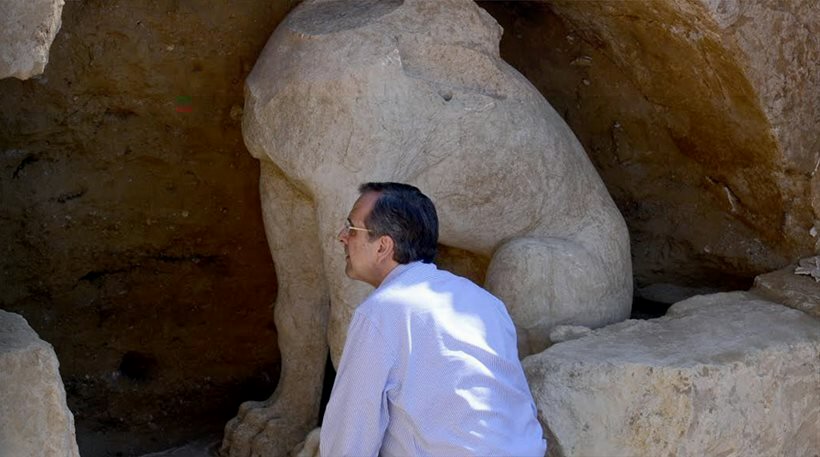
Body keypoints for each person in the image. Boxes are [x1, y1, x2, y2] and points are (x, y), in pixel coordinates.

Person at [320, 182, 547, 457]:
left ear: (383, 246)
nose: (342, 236)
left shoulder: (382, 310)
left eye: (351, 227)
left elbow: (349, 436)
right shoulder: (485, 302)